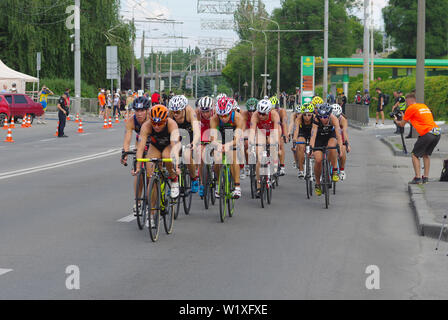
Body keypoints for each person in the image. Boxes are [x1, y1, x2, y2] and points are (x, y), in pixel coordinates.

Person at [134, 104, 180, 229]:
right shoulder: (146, 125)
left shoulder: (172, 124)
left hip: (169, 145)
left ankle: (174, 180)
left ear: (166, 120)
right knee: (151, 177)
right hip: (155, 146)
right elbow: (141, 147)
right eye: (154, 123)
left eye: (160, 124)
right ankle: (151, 214)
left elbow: (175, 146)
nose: (157, 126)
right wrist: (138, 166)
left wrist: (176, 165)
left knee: (166, 156)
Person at [394, 93, 441, 184]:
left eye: (407, 102)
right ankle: (425, 177)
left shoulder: (411, 108)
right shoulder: (423, 106)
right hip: (436, 133)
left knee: (415, 155)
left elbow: (402, 124)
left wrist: (396, 120)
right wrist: (405, 118)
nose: (406, 104)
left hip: (427, 134)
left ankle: (417, 178)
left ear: (409, 101)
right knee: (425, 154)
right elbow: (417, 121)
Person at [210, 97, 245, 199]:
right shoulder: (214, 119)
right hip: (221, 136)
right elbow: (213, 138)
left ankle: (237, 186)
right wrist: (218, 145)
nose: (223, 118)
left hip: (233, 137)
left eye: (226, 115)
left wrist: (229, 145)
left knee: (232, 157)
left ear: (231, 112)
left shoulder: (238, 118)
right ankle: (218, 183)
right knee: (217, 159)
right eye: (221, 115)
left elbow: (237, 138)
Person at [308, 103, 343, 196]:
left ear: (329, 115)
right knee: (318, 160)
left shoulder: (333, 119)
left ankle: (335, 171)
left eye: (325, 117)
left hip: (330, 136)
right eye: (321, 116)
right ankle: (318, 184)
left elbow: (339, 135)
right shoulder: (316, 119)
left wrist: (340, 148)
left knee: (332, 147)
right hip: (319, 138)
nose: (323, 119)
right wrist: (311, 148)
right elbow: (313, 135)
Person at [248, 99, 281, 198]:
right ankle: (258, 185)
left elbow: (276, 131)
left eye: (263, 114)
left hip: (272, 131)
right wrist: (251, 144)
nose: (261, 116)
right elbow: (252, 132)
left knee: (273, 145)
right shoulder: (255, 115)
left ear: (269, 112)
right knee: (259, 158)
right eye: (260, 114)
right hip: (261, 132)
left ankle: (274, 165)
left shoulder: (274, 114)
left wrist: (276, 144)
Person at [168, 95, 201, 193]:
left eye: (178, 111)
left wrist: (194, 143)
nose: (175, 114)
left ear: (183, 109)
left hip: (189, 133)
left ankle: (194, 178)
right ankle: (174, 182)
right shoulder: (170, 114)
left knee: (187, 155)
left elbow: (196, 131)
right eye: (173, 112)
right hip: (177, 132)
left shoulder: (190, 112)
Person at [195, 96, 215, 197]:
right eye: (203, 111)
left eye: (207, 111)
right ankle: (202, 182)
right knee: (200, 154)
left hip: (214, 131)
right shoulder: (198, 113)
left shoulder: (216, 113)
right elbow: (196, 129)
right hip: (203, 132)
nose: (205, 114)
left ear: (211, 109)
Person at [292, 103, 314, 178]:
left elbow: (315, 133)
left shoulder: (315, 118)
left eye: (309, 115)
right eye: (304, 115)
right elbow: (296, 131)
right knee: (300, 146)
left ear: (312, 114)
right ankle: (301, 170)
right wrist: (294, 141)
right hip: (302, 132)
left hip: (312, 132)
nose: (307, 117)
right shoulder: (299, 119)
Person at [331, 104, 351, 180]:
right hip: (331, 134)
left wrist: (347, 144)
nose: (336, 118)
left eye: (338, 116)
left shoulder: (343, 119)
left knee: (342, 150)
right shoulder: (328, 118)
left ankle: (342, 170)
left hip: (340, 134)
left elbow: (345, 132)